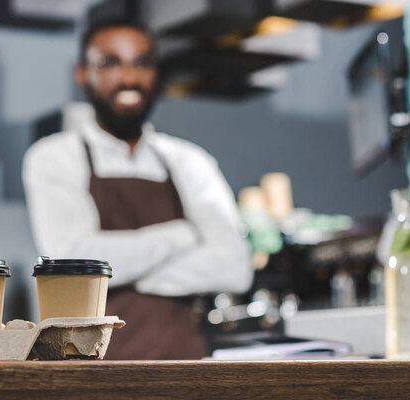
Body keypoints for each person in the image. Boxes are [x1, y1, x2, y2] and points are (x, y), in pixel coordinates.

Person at [23, 20, 253, 360]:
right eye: (110, 62)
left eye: (141, 63)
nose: (129, 77)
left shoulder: (189, 161)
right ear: (83, 74)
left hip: (185, 370)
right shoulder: (54, 157)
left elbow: (235, 268)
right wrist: (181, 235)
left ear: (155, 73)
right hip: (92, 373)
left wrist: (123, 272)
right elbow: (70, 262)